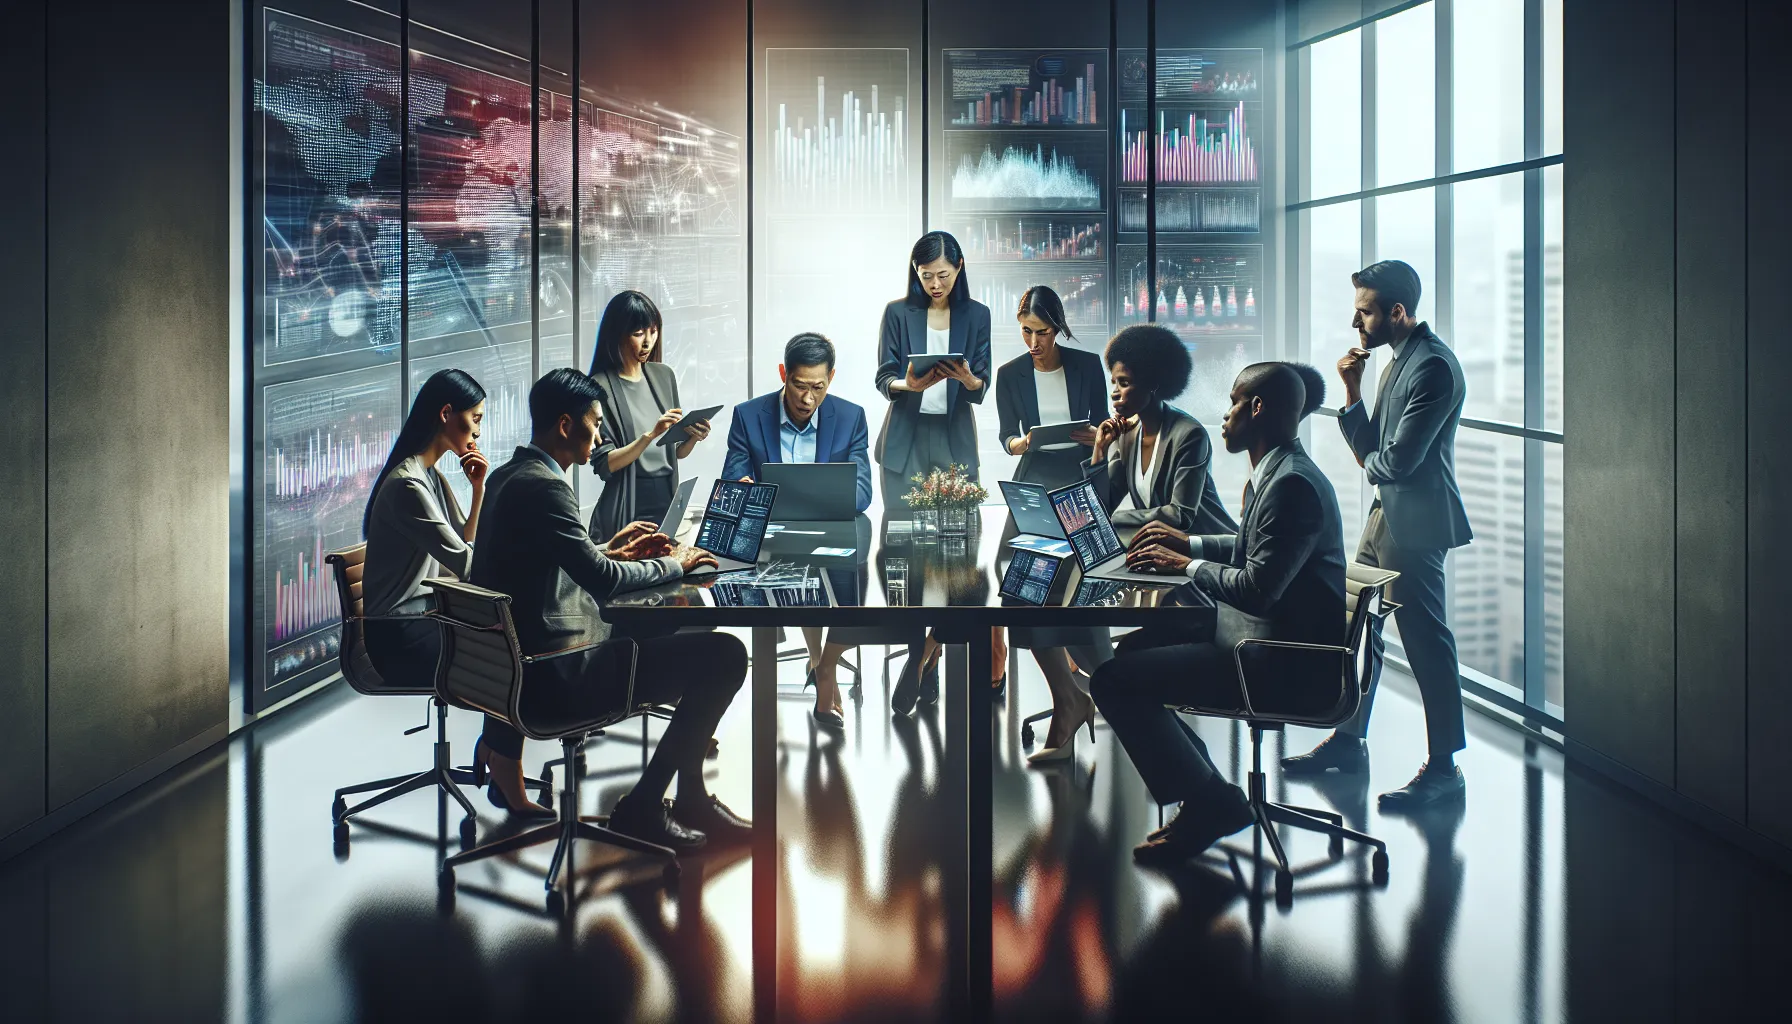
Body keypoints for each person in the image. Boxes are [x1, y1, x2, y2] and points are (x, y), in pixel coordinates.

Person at [469, 367, 750, 850]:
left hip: (514, 671)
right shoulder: (547, 487)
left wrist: (609, 548)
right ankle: (645, 806)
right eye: (595, 422)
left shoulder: (509, 476)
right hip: (555, 678)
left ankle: (691, 796)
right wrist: (673, 563)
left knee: (680, 633)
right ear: (564, 425)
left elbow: (551, 561)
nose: (598, 434)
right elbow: (601, 580)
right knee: (724, 656)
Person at [1098, 363, 1346, 862]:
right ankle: (1203, 786)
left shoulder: (1290, 485)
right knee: (1136, 649)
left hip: (1277, 659)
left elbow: (1256, 589)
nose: (1226, 416)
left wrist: (1185, 564)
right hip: (1259, 637)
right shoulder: (1279, 470)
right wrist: (1188, 540)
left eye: (1234, 402)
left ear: (1257, 409)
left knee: (1112, 681)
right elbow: (1255, 547)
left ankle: (1212, 800)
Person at [1280, 260, 1473, 812]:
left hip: (1413, 529)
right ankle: (1346, 740)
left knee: (1427, 645)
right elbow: (1376, 449)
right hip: (1383, 518)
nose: (1355, 322)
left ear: (1397, 312)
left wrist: (1371, 461)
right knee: (1361, 633)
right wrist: (1350, 391)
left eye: (1364, 311)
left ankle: (1444, 769)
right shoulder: (1395, 364)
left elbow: (1396, 461)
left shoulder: (1434, 368)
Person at [722, 332, 882, 729]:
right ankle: (818, 663)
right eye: (799, 385)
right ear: (783, 374)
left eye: (818, 387)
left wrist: (804, 500)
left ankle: (824, 667)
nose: (808, 399)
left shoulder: (850, 417)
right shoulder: (748, 415)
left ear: (831, 379)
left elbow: (862, 493)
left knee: (852, 587)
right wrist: (743, 491)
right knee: (799, 575)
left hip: (832, 530)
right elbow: (732, 479)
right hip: (772, 537)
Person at [875, 231, 996, 712]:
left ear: (960, 267)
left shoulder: (977, 315)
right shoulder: (896, 312)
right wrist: (910, 382)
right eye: (926, 276)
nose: (935, 284)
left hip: (953, 443)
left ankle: (928, 657)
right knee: (904, 559)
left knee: (956, 561)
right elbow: (883, 375)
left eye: (943, 275)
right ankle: (916, 655)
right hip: (906, 440)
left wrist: (968, 379)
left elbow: (981, 382)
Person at [993, 287, 1111, 762]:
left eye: (1042, 332)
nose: (1034, 341)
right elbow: (1006, 436)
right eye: (1026, 331)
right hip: (1036, 478)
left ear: (1059, 328)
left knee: (1082, 588)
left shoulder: (1085, 366)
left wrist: (1095, 434)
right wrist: (1019, 445)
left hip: (1080, 478)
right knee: (1020, 588)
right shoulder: (1010, 374)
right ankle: (1070, 695)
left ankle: (1093, 687)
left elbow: (1105, 421)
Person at [360, 369, 490, 690]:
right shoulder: (409, 485)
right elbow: (466, 563)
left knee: (501, 644)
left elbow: (464, 541)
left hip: (422, 619)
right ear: (446, 414)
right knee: (500, 655)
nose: (478, 432)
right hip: (399, 637)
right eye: (475, 419)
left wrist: (478, 489)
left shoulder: (430, 476)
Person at [587, 290, 713, 540]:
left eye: (653, 331)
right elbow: (605, 464)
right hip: (629, 503)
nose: (647, 342)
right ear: (617, 334)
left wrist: (692, 438)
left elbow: (675, 452)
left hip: (667, 497)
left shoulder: (663, 376)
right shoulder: (598, 387)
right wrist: (650, 435)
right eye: (638, 333)